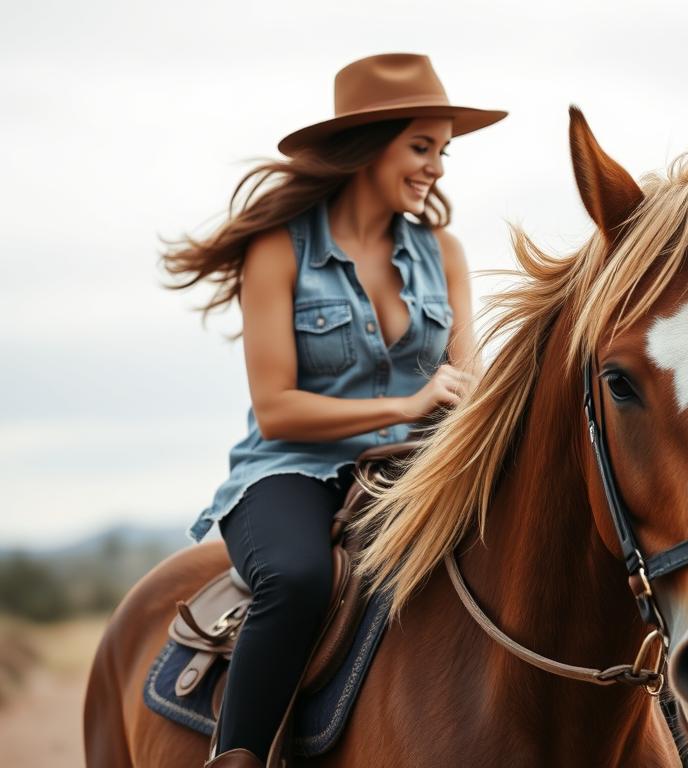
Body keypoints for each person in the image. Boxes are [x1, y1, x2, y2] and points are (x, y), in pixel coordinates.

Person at [159, 53, 506, 768]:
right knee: (297, 578)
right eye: (421, 147)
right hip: (292, 470)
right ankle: (239, 755)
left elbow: (464, 380)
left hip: (412, 472)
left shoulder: (445, 252)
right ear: (368, 146)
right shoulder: (276, 251)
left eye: (443, 150)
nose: (437, 167)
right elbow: (277, 408)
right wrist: (409, 400)